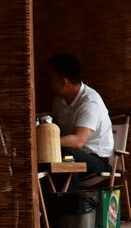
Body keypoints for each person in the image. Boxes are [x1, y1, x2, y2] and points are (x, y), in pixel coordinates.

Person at [45, 53, 113, 190]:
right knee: (53, 156)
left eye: (50, 77)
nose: (47, 82)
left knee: (65, 155)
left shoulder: (90, 102)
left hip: (96, 160)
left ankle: (69, 202)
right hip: (71, 155)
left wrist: (44, 142)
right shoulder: (58, 100)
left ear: (64, 82)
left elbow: (78, 141)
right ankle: (50, 202)